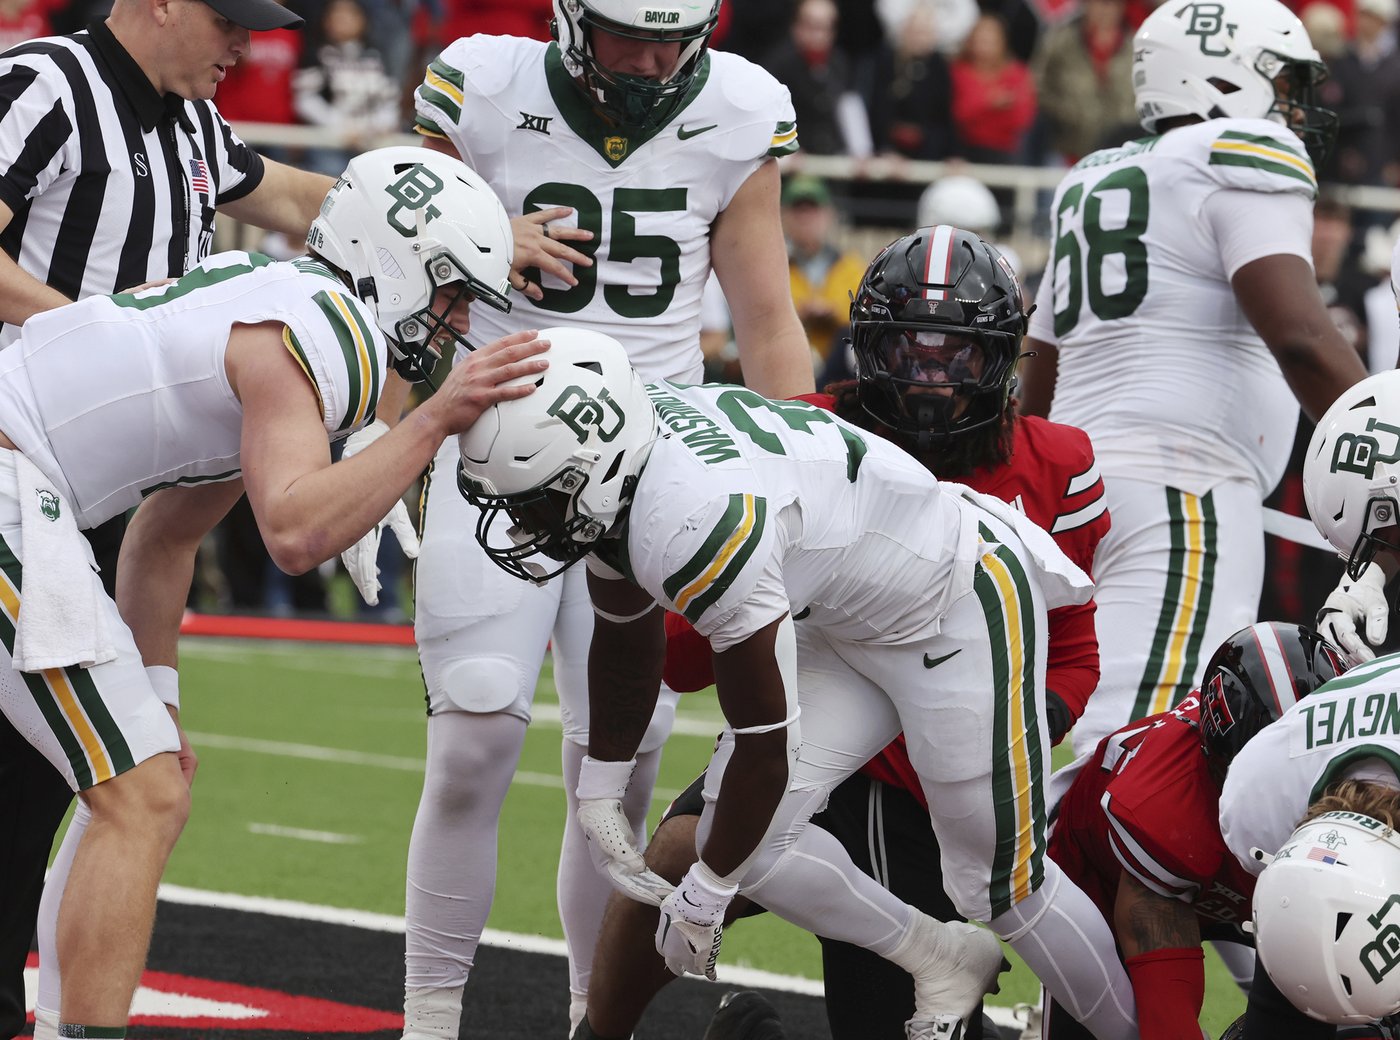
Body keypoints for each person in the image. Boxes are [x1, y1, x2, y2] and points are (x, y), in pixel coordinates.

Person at [459, 237, 1140, 1040]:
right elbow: (634, 635)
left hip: (956, 615)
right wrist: (606, 783)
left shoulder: (707, 517)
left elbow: (759, 735)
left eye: (957, 355)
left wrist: (710, 895)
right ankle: (936, 957)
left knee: (1001, 889)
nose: (930, 378)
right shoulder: (642, 466)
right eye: (907, 351)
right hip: (850, 637)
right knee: (725, 837)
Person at [9, 145, 550, 1040]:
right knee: (139, 796)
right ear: (392, 256)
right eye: (448, 290)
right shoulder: (321, 328)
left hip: (28, 492)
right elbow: (295, 534)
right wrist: (429, 419)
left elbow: (164, 536)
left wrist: (161, 692)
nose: (453, 321)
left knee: (143, 786)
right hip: (10, 484)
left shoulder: (275, 296)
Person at [361, 3, 817, 1037]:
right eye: (629, 36)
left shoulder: (740, 105)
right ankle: (430, 1019)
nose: (655, 61)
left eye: (674, 38)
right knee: (475, 729)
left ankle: (586, 1017)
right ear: (570, 19)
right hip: (496, 446)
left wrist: (796, 468)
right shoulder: (484, 82)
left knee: (621, 763)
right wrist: (470, 244)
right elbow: (394, 251)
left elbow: (763, 314)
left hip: (655, 463)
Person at [0, 0, 347, 1031]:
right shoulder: (45, 85)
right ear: (156, 0)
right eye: (229, 20)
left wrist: (446, 216)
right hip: (22, 462)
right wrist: (97, 330)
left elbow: (287, 191)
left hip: (98, 491)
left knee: (45, 780)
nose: (245, 47)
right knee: (93, 776)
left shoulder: (191, 117)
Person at [1018, 0, 1370, 762]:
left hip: (1078, 492)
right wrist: (1384, 443)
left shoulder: (1094, 174)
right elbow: (1302, 337)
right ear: (1222, 76)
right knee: (1141, 754)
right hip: (1184, 494)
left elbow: (1038, 368)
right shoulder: (1241, 147)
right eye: (1282, 83)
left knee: (1079, 736)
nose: (1296, 107)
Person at [1046, 621, 1345, 1039]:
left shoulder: (1373, 761)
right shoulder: (1163, 807)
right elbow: (1167, 1008)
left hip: (1226, 862)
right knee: (1123, 1027)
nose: (1298, 796)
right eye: (1275, 779)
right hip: (1109, 878)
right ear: (1221, 760)